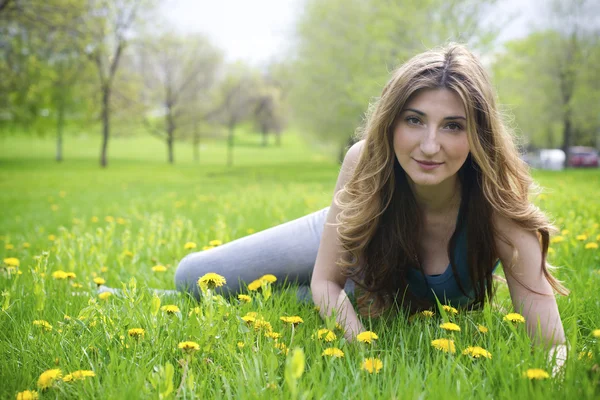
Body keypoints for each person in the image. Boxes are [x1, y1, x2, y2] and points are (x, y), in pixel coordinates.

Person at [174, 44, 568, 365]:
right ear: (391, 122)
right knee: (194, 278)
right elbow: (326, 281)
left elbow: (551, 343)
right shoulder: (365, 161)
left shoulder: (498, 204)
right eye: (414, 120)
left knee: (277, 300)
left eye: (453, 125)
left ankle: (166, 306)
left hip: (371, 287)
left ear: (478, 133)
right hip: (347, 227)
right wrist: (361, 348)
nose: (430, 146)